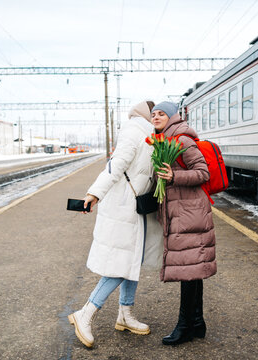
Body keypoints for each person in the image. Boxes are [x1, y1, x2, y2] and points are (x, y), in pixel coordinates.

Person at [68, 100, 163, 348]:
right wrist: (94, 194)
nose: (156, 117)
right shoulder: (134, 132)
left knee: (133, 260)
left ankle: (125, 314)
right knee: (120, 265)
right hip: (123, 207)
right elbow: (115, 166)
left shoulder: (150, 135)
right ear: (145, 115)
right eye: (154, 114)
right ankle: (85, 313)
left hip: (136, 208)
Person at [151, 101, 217, 346]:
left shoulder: (181, 139)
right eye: (153, 114)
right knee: (193, 269)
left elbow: (203, 172)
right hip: (181, 210)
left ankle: (185, 326)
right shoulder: (162, 140)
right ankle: (197, 323)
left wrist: (174, 176)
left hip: (189, 212)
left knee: (189, 270)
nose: (156, 117)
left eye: (161, 114)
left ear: (172, 117)